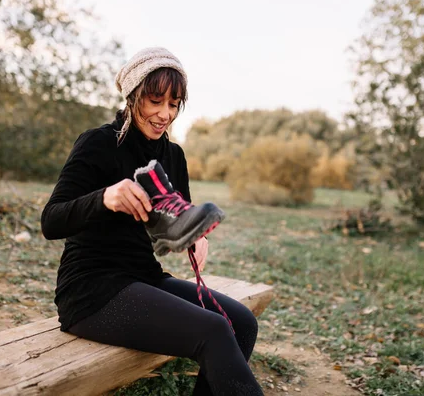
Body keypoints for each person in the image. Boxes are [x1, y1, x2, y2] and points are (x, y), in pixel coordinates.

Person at [41, 47, 264, 395]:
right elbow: (51, 221)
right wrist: (104, 198)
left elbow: (178, 220)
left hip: (145, 278)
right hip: (91, 291)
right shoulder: (98, 144)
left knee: (242, 323)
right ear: (133, 97)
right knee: (213, 329)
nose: (164, 114)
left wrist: (196, 236)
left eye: (174, 104)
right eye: (155, 101)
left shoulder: (172, 155)